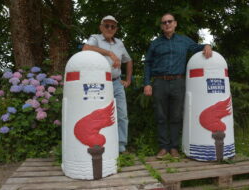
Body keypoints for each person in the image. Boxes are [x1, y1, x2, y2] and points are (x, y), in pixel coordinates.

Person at [144, 13, 212, 158]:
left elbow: (196, 47)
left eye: (169, 21)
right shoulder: (155, 43)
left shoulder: (184, 41)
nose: (167, 24)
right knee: (160, 116)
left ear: (175, 23)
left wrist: (206, 45)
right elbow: (148, 64)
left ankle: (174, 147)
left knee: (176, 116)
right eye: (164, 22)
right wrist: (147, 83)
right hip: (159, 82)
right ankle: (163, 147)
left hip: (178, 82)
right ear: (162, 26)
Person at [82, 15, 133, 153]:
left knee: (122, 114)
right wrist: (109, 53)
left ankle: (121, 146)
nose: (109, 28)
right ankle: (102, 145)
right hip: (98, 84)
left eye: (113, 26)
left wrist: (128, 80)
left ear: (116, 29)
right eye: (107, 25)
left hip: (116, 83)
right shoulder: (95, 38)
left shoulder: (120, 43)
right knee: (98, 115)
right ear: (101, 27)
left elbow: (128, 60)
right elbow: (86, 48)